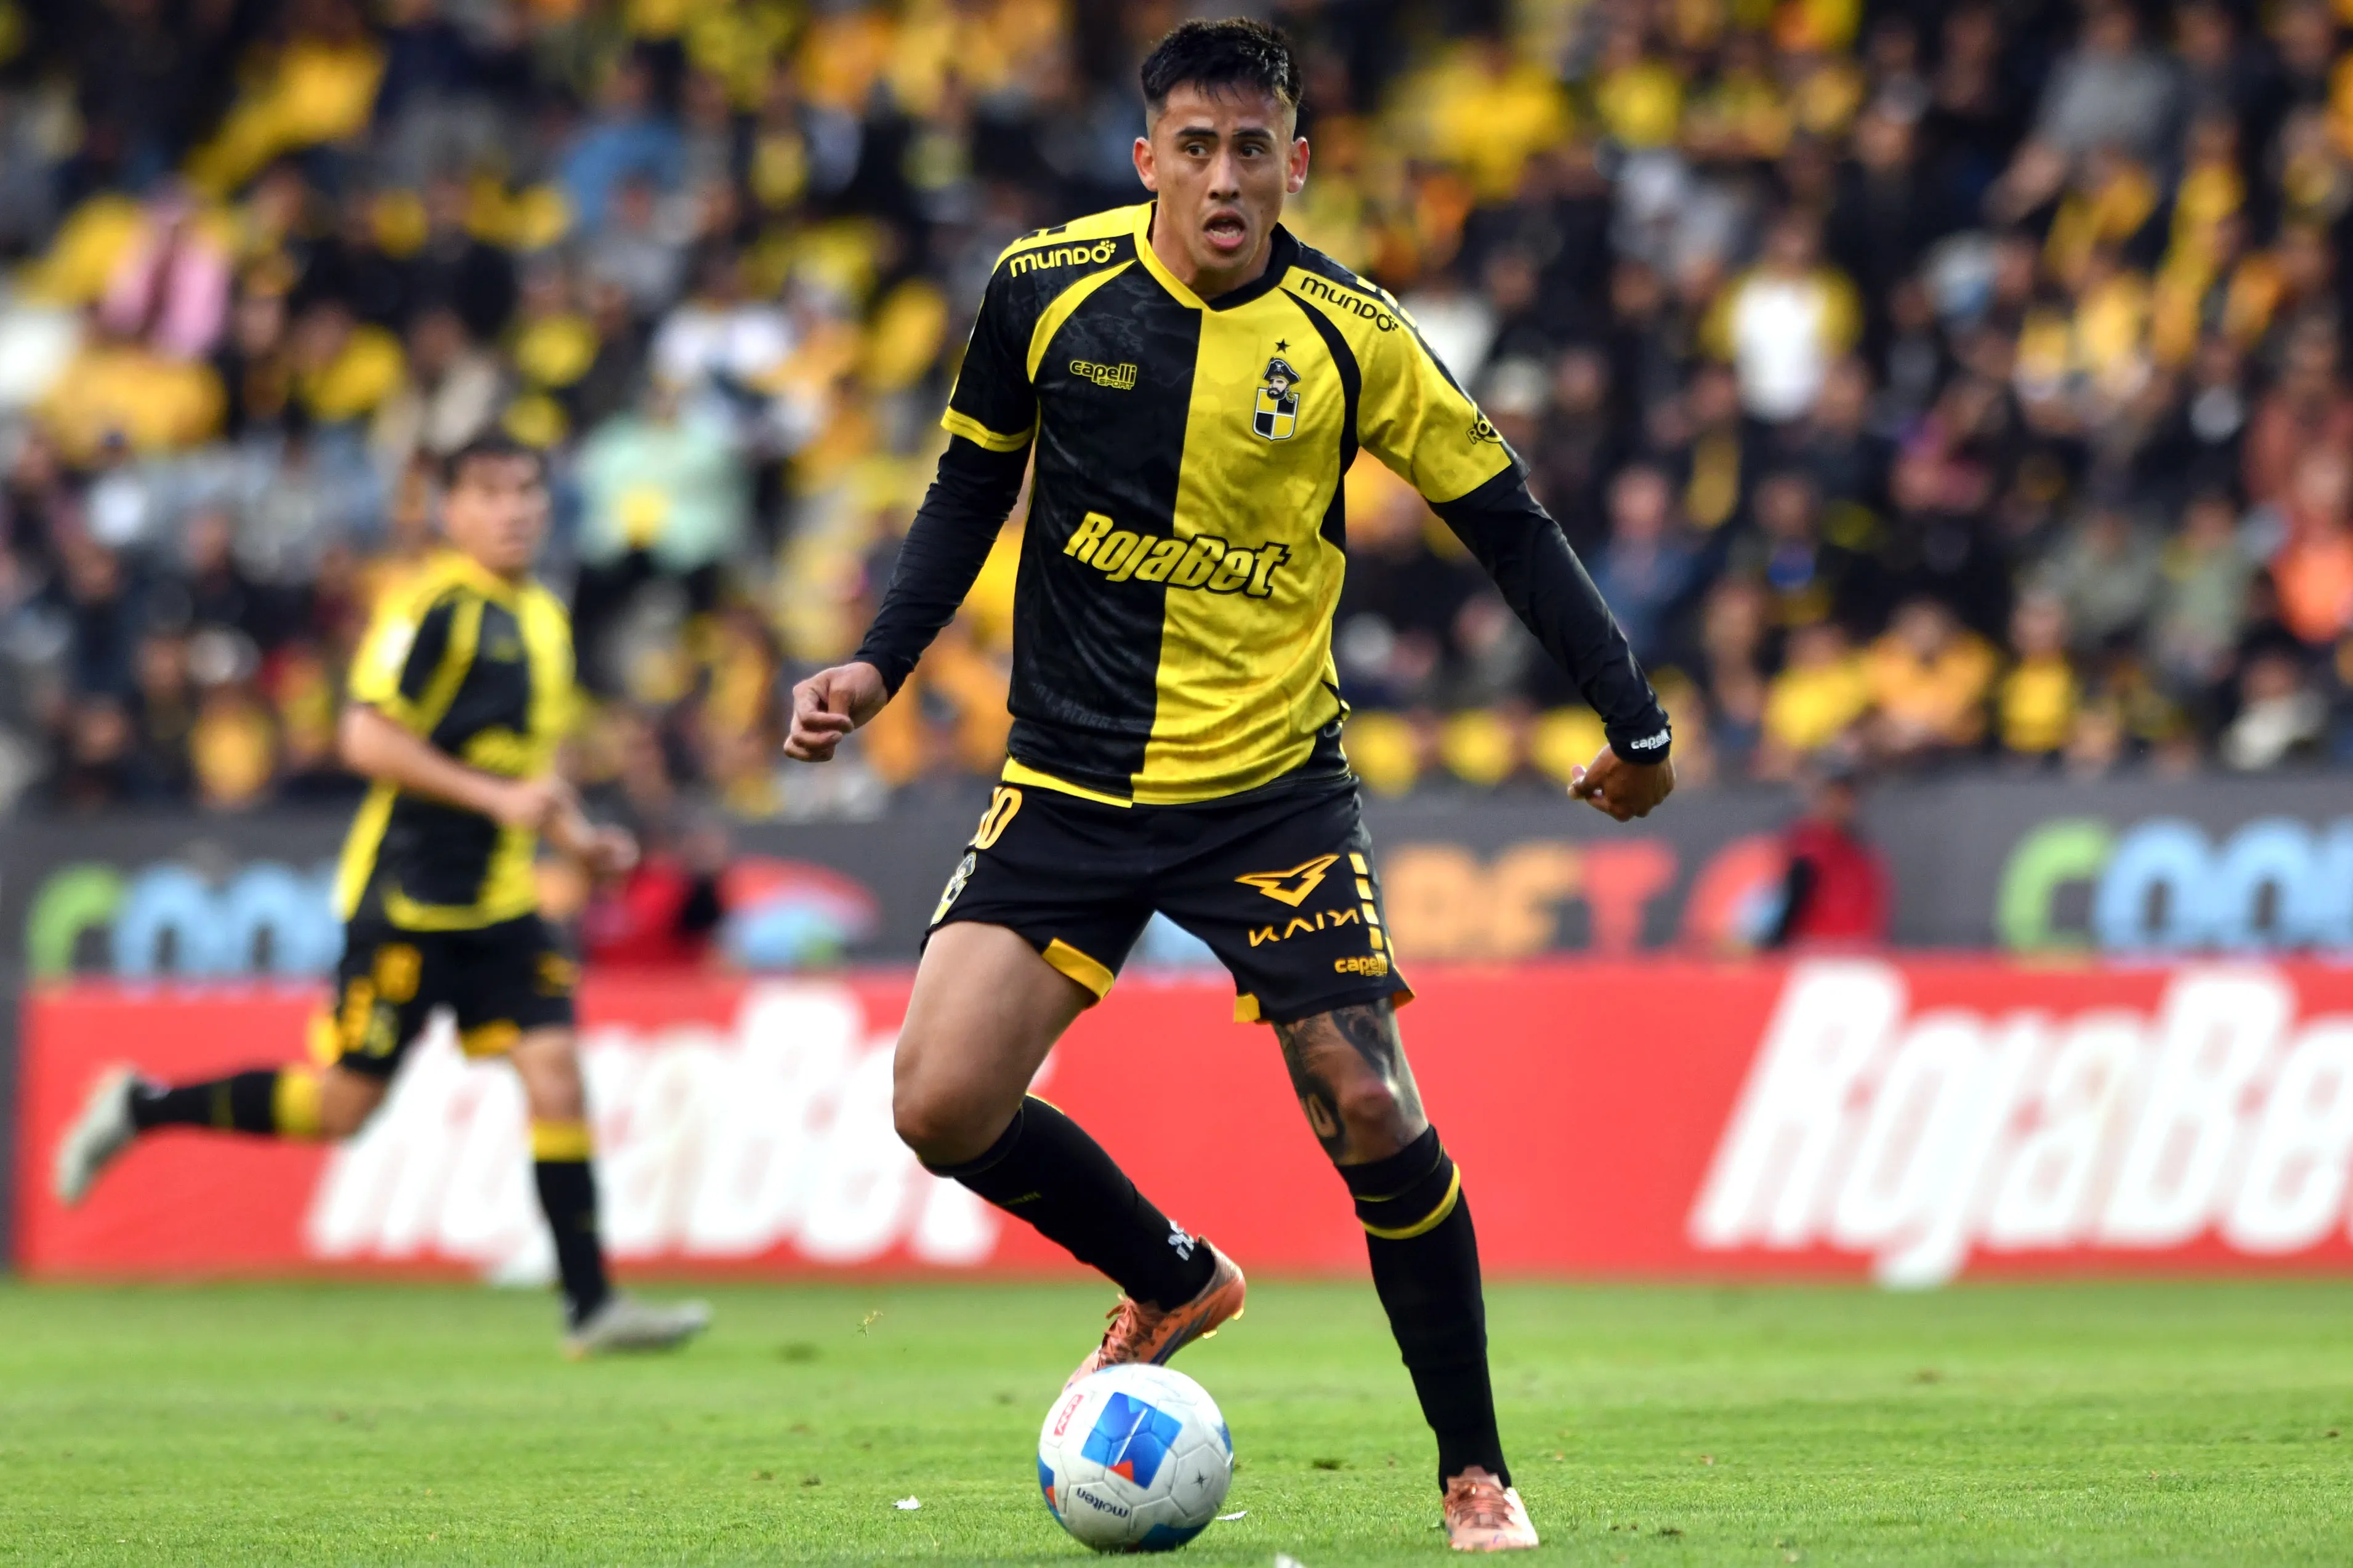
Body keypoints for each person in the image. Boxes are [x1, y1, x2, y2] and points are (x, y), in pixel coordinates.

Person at [780, 20, 1673, 1553]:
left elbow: (1505, 521)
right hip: (1069, 776)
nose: (1220, 179)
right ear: (1145, 161)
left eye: (1249, 149)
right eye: (1191, 148)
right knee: (935, 1099)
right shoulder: (1040, 290)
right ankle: (1176, 1271)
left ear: (1294, 164)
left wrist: (1634, 724)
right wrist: (875, 664)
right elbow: (965, 487)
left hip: (1266, 790)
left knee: (1366, 1099)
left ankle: (1471, 1467)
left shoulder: (1351, 330)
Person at [50, 433, 711, 1360]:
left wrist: (577, 839)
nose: (516, 509)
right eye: (490, 492)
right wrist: (495, 800)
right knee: (342, 1107)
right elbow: (364, 737)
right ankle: (141, 1104)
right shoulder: (434, 606)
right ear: (449, 510)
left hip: (501, 901)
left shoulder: (543, 618)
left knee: (556, 1070)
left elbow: (527, 768)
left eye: (527, 490)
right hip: (407, 901)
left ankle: (590, 1303)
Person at [1762, 758, 1890, 949]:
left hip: (1858, 954)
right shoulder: (1807, 848)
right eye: (1835, 795)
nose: (1842, 804)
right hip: (1813, 954)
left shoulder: (1861, 853)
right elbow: (1787, 909)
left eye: (1848, 796)